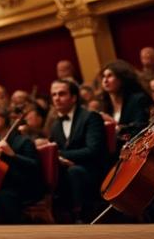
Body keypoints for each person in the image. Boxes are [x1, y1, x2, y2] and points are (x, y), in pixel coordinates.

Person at [47, 79, 105, 223]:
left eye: (61, 94)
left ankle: (81, 218)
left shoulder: (90, 117)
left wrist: (58, 155)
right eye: (53, 95)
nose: (56, 98)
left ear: (73, 98)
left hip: (91, 170)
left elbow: (93, 151)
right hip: (65, 171)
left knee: (74, 172)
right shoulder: (55, 125)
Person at [96, 60, 151, 140]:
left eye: (110, 76)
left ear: (121, 78)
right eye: (104, 76)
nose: (105, 80)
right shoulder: (104, 105)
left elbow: (141, 128)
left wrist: (116, 126)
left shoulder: (137, 100)